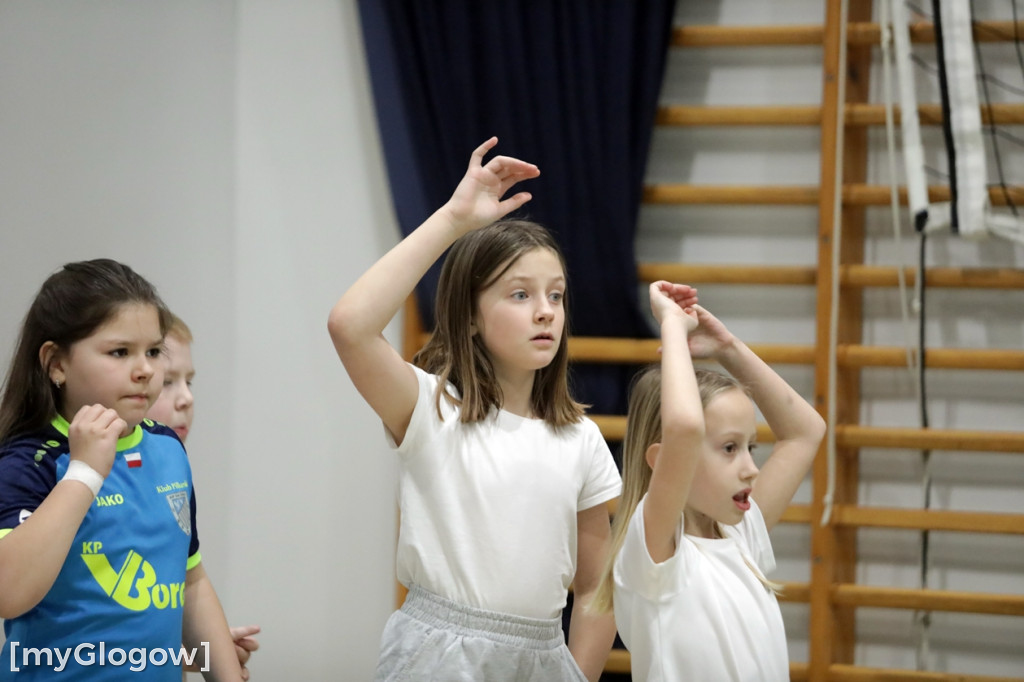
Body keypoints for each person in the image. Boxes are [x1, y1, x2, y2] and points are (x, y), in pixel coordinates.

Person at [328, 137, 621, 681]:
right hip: (437, 657)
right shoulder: (430, 409)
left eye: (555, 295)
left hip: (544, 659)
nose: (545, 312)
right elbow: (349, 325)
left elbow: (595, 590)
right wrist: (454, 219)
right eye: (519, 294)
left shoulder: (580, 440)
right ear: (468, 317)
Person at [0, 259, 243, 681]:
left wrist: (218, 671)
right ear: (56, 363)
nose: (145, 369)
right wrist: (84, 473)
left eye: (152, 351)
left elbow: (191, 583)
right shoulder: (28, 461)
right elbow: (10, 594)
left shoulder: (167, 448)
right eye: (119, 352)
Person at [592, 282, 827, 681]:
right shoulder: (654, 552)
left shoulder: (742, 535)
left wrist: (727, 349)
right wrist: (672, 328)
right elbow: (683, 427)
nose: (752, 468)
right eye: (730, 448)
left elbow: (806, 431)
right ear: (662, 460)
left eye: (751, 447)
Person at [145, 312, 261, 680]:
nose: (187, 398)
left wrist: (204, 648)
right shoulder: (54, 467)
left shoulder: (170, 464)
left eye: (189, 381)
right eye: (167, 383)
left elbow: (185, 584)